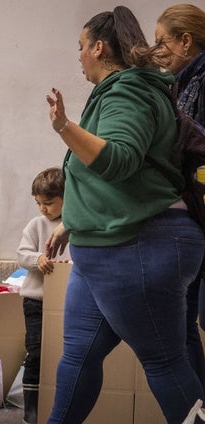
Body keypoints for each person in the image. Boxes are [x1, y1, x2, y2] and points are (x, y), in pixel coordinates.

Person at [44, 6, 205, 423]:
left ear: (98, 48)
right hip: (104, 250)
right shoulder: (121, 91)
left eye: (80, 47)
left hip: (136, 247)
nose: (77, 55)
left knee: (165, 362)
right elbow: (109, 181)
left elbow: (120, 160)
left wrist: (64, 126)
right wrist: (71, 222)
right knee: (79, 354)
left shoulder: (127, 90)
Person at [153, 3, 205, 390]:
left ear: (186, 41)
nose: (157, 52)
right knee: (186, 321)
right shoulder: (182, 83)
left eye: (162, 42)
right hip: (195, 218)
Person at [16, 166, 71, 424]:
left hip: (67, 302)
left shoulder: (75, 225)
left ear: (67, 197)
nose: (42, 208)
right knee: (36, 351)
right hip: (36, 301)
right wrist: (37, 259)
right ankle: (31, 408)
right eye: (38, 203)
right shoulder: (37, 225)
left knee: (63, 352)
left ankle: (58, 402)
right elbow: (21, 254)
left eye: (48, 203)